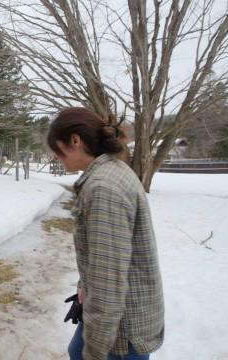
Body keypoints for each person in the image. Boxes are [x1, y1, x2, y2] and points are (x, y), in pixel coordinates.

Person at [47, 108, 164, 360]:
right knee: (75, 351)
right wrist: (84, 286)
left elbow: (109, 286)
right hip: (118, 320)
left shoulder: (103, 188)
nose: (56, 157)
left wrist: (95, 351)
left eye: (57, 149)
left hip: (120, 332)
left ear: (75, 141)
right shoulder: (111, 171)